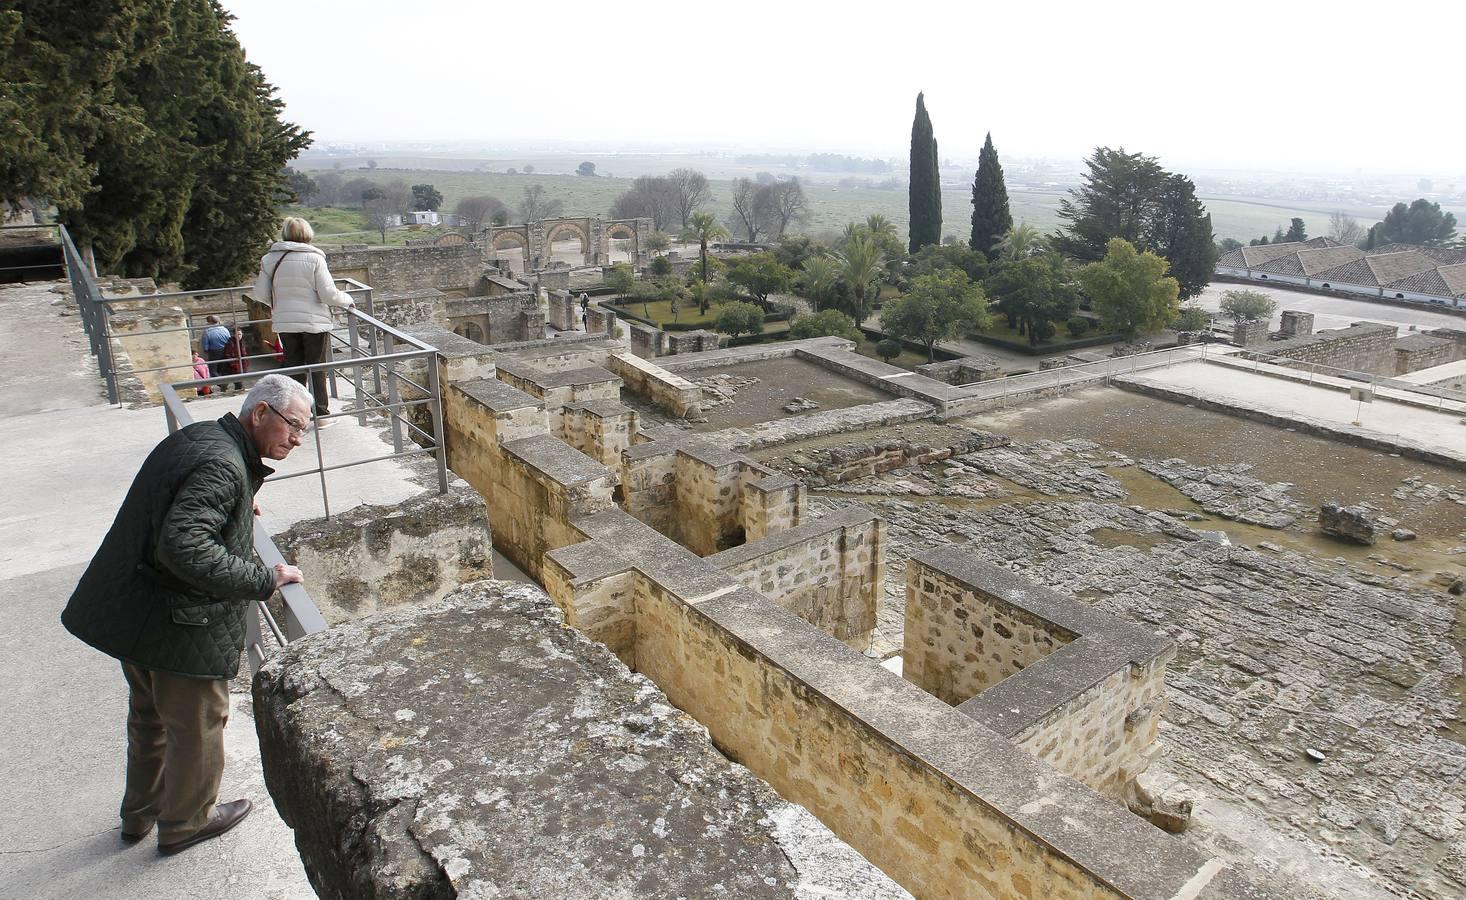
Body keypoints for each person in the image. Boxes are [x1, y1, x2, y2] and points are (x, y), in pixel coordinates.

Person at [61, 375, 312, 855]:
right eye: (293, 427)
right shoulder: (221, 465)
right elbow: (185, 545)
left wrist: (239, 504)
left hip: (138, 608)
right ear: (260, 414)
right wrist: (265, 579)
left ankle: (139, 815)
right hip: (179, 621)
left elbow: (182, 506)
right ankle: (187, 822)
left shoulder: (201, 441)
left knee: (149, 716)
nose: (297, 439)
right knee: (198, 723)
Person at [253, 217, 354, 426]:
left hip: (285, 321)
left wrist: (280, 305)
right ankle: (321, 415)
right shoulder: (314, 258)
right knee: (316, 366)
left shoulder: (269, 259)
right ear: (307, 235)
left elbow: (260, 294)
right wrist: (348, 300)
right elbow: (328, 294)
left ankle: (295, 416)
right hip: (314, 322)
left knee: (294, 367)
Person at [200, 315, 231, 379]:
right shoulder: (225, 329)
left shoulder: (207, 332)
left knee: (212, 370)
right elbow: (229, 340)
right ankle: (224, 383)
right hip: (226, 350)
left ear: (209, 322)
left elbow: (205, 345)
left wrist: (206, 351)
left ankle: (222, 383)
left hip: (214, 352)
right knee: (223, 368)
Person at [221, 328, 248, 393]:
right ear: (234, 335)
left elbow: (244, 353)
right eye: (237, 334)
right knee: (227, 381)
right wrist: (234, 365)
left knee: (239, 382)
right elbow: (228, 355)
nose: (239, 336)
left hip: (240, 365)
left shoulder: (242, 342)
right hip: (231, 366)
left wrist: (246, 363)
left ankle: (238, 392)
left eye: (240, 334)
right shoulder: (230, 343)